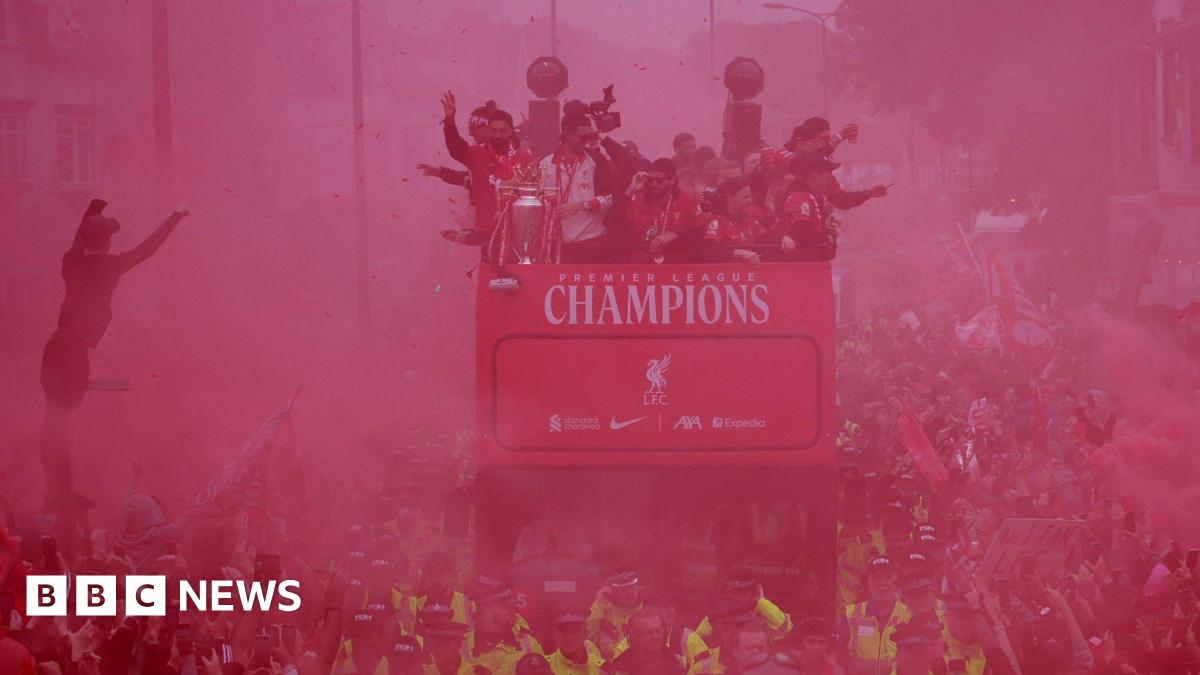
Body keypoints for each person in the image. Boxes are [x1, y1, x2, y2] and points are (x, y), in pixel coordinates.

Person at [40, 199, 190, 549]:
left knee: (55, 419)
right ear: (107, 243)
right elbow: (148, 248)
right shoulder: (110, 266)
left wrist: (88, 213)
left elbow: (75, 243)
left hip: (57, 350)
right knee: (57, 421)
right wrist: (175, 217)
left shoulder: (72, 263)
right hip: (72, 354)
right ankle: (59, 492)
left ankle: (59, 488)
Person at [440, 91, 532, 245]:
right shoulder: (477, 154)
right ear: (488, 131)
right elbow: (456, 148)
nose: (497, 135)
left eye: (503, 131)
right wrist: (449, 121)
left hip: (517, 231)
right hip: (487, 230)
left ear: (510, 132)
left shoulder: (523, 157)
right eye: (494, 130)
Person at [538, 113, 611, 263]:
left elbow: (611, 198)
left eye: (589, 137)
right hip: (557, 245)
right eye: (582, 137)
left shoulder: (595, 161)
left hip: (591, 244)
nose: (586, 142)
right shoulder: (545, 164)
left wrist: (583, 205)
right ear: (566, 133)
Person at [785, 118, 888, 211]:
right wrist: (840, 137)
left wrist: (869, 193)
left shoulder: (822, 169)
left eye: (828, 139)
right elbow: (805, 162)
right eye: (823, 139)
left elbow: (841, 200)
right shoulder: (785, 156)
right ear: (803, 142)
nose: (826, 143)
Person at [837, 556, 910, 675]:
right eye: (876, 578)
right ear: (869, 582)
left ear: (896, 581)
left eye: (887, 577)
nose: (881, 583)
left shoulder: (908, 614)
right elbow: (835, 652)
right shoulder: (851, 614)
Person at [623, 159, 705, 263]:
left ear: (672, 181)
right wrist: (632, 188)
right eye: (651, 180)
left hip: (676, 265)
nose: (653, 184)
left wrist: (675, 236)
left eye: (659, 181)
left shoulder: (688, 201)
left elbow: (698, 235)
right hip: (642, 264)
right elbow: (611, 220)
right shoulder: (638, 200)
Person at [468, 577, 543, 675]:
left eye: (513, 605)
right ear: (487, 612)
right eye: (506, 606)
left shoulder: (528, 643)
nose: (513, 610)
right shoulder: (464, 647)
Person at [698, 178, 774, 268]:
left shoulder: (748, 218)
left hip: (751, 274)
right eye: (746, 197)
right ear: (731, 199)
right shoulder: (718, 221)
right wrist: (738, 253)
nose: (751, 200)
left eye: (750, 196)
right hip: (729, 275)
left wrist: (783, 237)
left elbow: (766, 239)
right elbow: (708, 251)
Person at [778, 154, 840, 262]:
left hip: (813, 265)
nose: (829, 182)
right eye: (827, 177)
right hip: (801, 267)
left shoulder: (811, 197)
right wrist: (826, 237)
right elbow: (802, 231)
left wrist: (827, 229)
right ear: (815, 177)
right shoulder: (800, 197)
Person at [586, 567, 643, 660]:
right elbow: (587, 639)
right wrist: (599, 604)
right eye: (623, 589)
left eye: (632, 587)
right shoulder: (601, 612)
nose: (629, 593)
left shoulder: (649, 610)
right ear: (610, 590)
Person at [608, 608, 684, 675]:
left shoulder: (676, 661)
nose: (655, 637)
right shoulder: (623, 665)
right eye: (649, 633)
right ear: (636, 636)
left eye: (658, 631)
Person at [546, 610, 604, 675]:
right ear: (553, 635)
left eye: (575, 630)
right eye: (563, 631)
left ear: (585, 633)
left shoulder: (601, 670)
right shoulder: (544, 667)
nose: (569, 637)